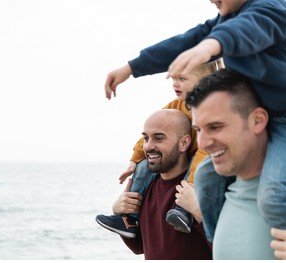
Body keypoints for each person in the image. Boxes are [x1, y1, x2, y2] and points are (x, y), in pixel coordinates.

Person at [104, 0, 286, 241]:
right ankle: (216, 244)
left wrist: (209, 46)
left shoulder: (270, 8)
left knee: (273, 193)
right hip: (253, 119)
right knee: (207, 177)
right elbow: (185, 41)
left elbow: (245, 30)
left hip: (281, 120)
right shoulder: (226, 19)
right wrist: (131, 68)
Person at [96, 60, 223, 238]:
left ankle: (184, 212)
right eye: (173, 79)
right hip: (186, 157)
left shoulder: (212, 109)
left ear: (204, 81)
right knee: (142, 166)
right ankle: (129, 219)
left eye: (182, 78)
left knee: (199, 169)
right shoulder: (175, 106)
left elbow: (204, 151)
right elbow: (150, 135)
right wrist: (134, 160)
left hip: (202, 157)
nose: (175, 84)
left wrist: (193, 181)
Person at [186, 68, 279, 259]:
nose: (202, 143)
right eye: (198, 130)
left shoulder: (277, 196)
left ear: (257, 120)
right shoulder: (218, 191)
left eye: (216, 127)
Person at [103, 109, 212, 260]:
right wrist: (120, 212)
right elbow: (139, 247)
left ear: (184, 143)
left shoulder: (205, 187)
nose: (147, 147)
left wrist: (200, 213)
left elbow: (229, 254)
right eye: (146, 138)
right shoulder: (146, 187)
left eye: (159, 138)